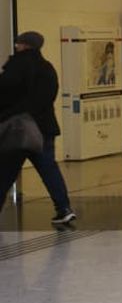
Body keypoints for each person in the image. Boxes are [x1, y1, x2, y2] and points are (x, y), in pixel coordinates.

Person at [0, 31, 76, 227]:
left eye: (18, 43)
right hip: (44, 128)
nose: (16, 46)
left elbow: (4, 92)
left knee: (6, 171)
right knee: (49, 169)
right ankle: (64, 208)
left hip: (17, 129)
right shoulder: (47, 68)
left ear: (23, 45)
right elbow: (49, 96)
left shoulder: (16, 66)